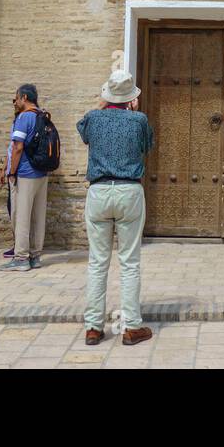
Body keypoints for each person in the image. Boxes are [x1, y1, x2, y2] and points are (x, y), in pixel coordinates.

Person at [77, 69, 154, 346]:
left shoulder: (93, 118)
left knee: (98, 262)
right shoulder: (139, 120)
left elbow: (83, 131)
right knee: (129, 262)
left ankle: (93, 328)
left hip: (98, 191)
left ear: (108, 95)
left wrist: (102, 103)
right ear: (130, 98)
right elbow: (148, 146)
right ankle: (131, 326)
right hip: (128, 190)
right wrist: (133, 112)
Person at [0, 83, 49, 271]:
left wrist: (11, 172)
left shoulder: (24, 117)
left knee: (21, 217)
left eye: (17, 98)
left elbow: (18, 147)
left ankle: (20, 259)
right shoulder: (42, 115)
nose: (16, 102)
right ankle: (35, 257)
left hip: (26, 173)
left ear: (25, 98)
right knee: (38, 216)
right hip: (42, 173)